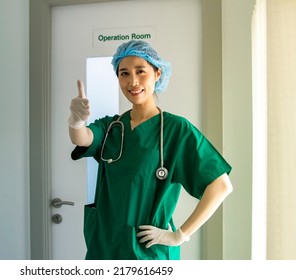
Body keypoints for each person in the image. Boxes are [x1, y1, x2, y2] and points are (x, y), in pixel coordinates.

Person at [67, 40, 233, 260]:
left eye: (141, 71)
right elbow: (84, 138)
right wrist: (76, 122)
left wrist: (179, 235)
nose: (132, 81)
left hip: (148, 252)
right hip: (105, 247)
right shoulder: (111, 127)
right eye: (124, 73)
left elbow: (221, 186)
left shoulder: (176, 130)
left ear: (157, 73)